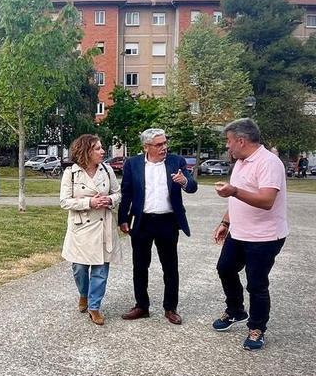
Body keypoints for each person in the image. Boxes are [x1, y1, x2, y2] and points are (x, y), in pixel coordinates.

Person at [212, 118, 288, 351]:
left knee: (256, 284)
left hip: (265, 236)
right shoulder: (242, 162)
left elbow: (266, 201)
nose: (228, 146)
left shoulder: (269, 163)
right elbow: (237, 200)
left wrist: (233, 191)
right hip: (239, 232)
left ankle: (257, 328)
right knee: (225, 268)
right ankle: (235, 310)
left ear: (241, 141)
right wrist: (225, 221)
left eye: (229, 141)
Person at [118, 128, 197, 325]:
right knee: (140, 266)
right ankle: (141, 306)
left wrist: (184, 180)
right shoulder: (133, 164)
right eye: (159, 144)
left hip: (168, 222)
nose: (164, 147)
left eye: (165, 143)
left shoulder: (175, 161)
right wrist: (123, 219)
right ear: (146, 147)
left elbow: (192, 186)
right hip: (142, 222)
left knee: (170, 267)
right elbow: (126, 192)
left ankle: (170, 308)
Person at [60, 135, 122, 325]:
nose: (102, 151)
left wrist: (110, 200)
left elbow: (118, 193)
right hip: (81, 229)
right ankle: (83, 294)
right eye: (97, 148)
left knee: (101, 269)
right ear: (85, 151)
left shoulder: (107, 169)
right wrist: (89, 202)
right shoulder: (71, 173)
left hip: (104, 225)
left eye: (102, 148)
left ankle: (94, 306)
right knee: (79, 268)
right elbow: (64, 201)